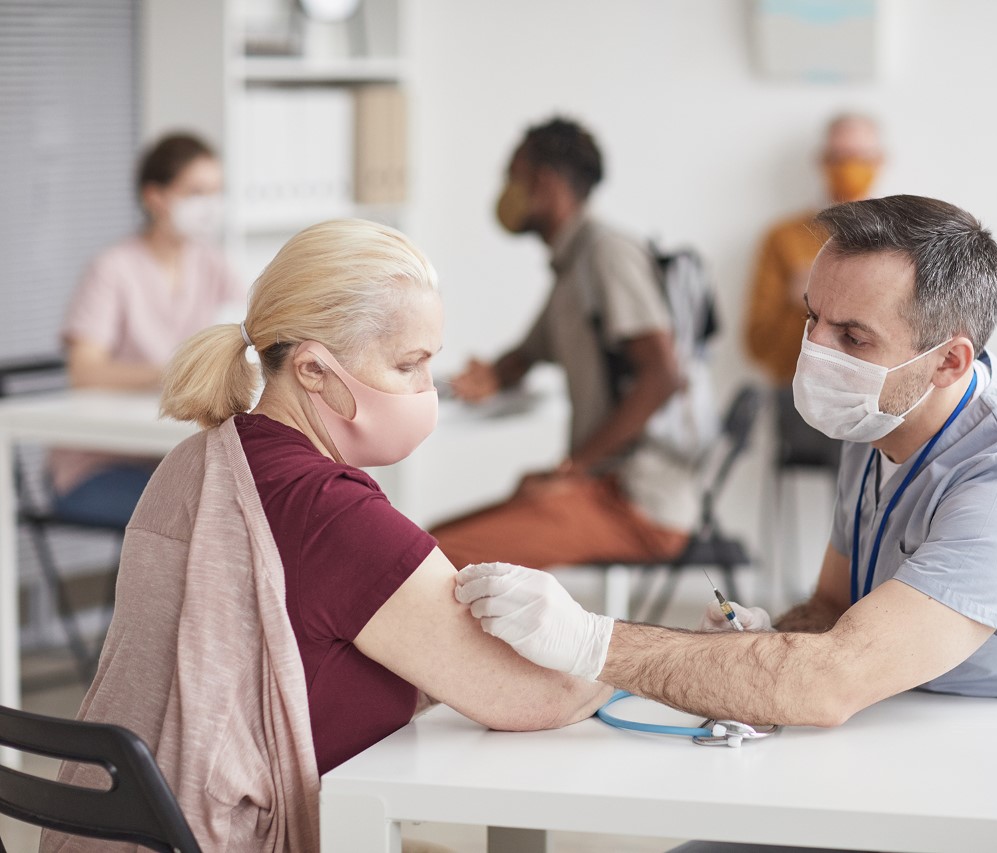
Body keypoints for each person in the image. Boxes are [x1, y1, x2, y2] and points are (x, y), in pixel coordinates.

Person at [455, 198, 997, 833]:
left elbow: (833, 678)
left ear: (949, 360)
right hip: (921, 744)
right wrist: (765, 637)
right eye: (814, 317)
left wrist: (587, 640)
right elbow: (828, 606)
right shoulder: (879, 419)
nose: (816, 352)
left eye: (853, 337)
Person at [42, 220, 608, 853]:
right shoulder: (327, 509)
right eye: (408, 365)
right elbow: (537, 694)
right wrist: (615, 650)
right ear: (314, 369)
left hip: (114, 831)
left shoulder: (195, 461)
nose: (428, 390)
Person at [436, 117, 694, 568]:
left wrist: (571, 469)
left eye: (511, 177)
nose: (505, 193)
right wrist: (494, 374)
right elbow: (529, 353)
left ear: (541, 181)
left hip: (637, 501)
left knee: (433, 559)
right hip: (600, 485)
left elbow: (663, 375)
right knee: (422, 544)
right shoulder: (572, 264)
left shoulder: (605, 252)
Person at [49, 132, 244, 527]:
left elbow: (248, 336)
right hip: (99, 467)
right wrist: (175, 371)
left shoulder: (213, 264)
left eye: (216, 191)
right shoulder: (113, 269)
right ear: (155, 197)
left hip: (171, 457)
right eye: (196, 192)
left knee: (254, 499)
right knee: (207, 516)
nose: (210, 205)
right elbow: (83, 372)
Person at [745, 113, 884, 470]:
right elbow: (757, 345)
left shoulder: (902, 244)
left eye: (861, 157)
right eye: (839, 157)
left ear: (881, 161)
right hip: (803, 398)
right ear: (822, 161)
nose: (849, 168)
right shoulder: (784, 240)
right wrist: (804, 305)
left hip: (880, 397)